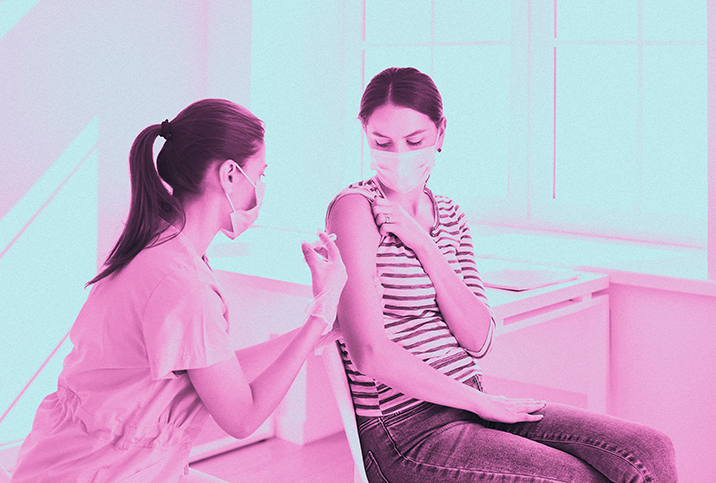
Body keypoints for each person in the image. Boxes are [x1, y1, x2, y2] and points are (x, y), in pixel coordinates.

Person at [325, 67, 677, 482]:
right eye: (382, 142)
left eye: (414, 141)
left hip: (471, 402)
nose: (399, 155)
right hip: (406, 432)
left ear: (440, 133)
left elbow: (478, 338)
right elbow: (369, 353)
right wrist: (481, 405)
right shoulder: (355, 209)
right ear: (364, 133)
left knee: (649, 450)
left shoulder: (450, 215)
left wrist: (424, 244)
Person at [10, 99, 347, 482]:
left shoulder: (163, 246)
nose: (263, 186)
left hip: (66, 461)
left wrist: (318, 331)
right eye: (262, 172)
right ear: (231, 175)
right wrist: (320, 311)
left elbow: (218, 370)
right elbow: (242, 416)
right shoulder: (183, 285)